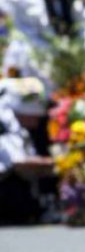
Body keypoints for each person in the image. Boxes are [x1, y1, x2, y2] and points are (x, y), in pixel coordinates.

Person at [0, 78, 54, 224]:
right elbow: (19, 163)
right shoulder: (5, 121)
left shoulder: (17, 125)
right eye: (34, 118)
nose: (36, 124)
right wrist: (57, 164)